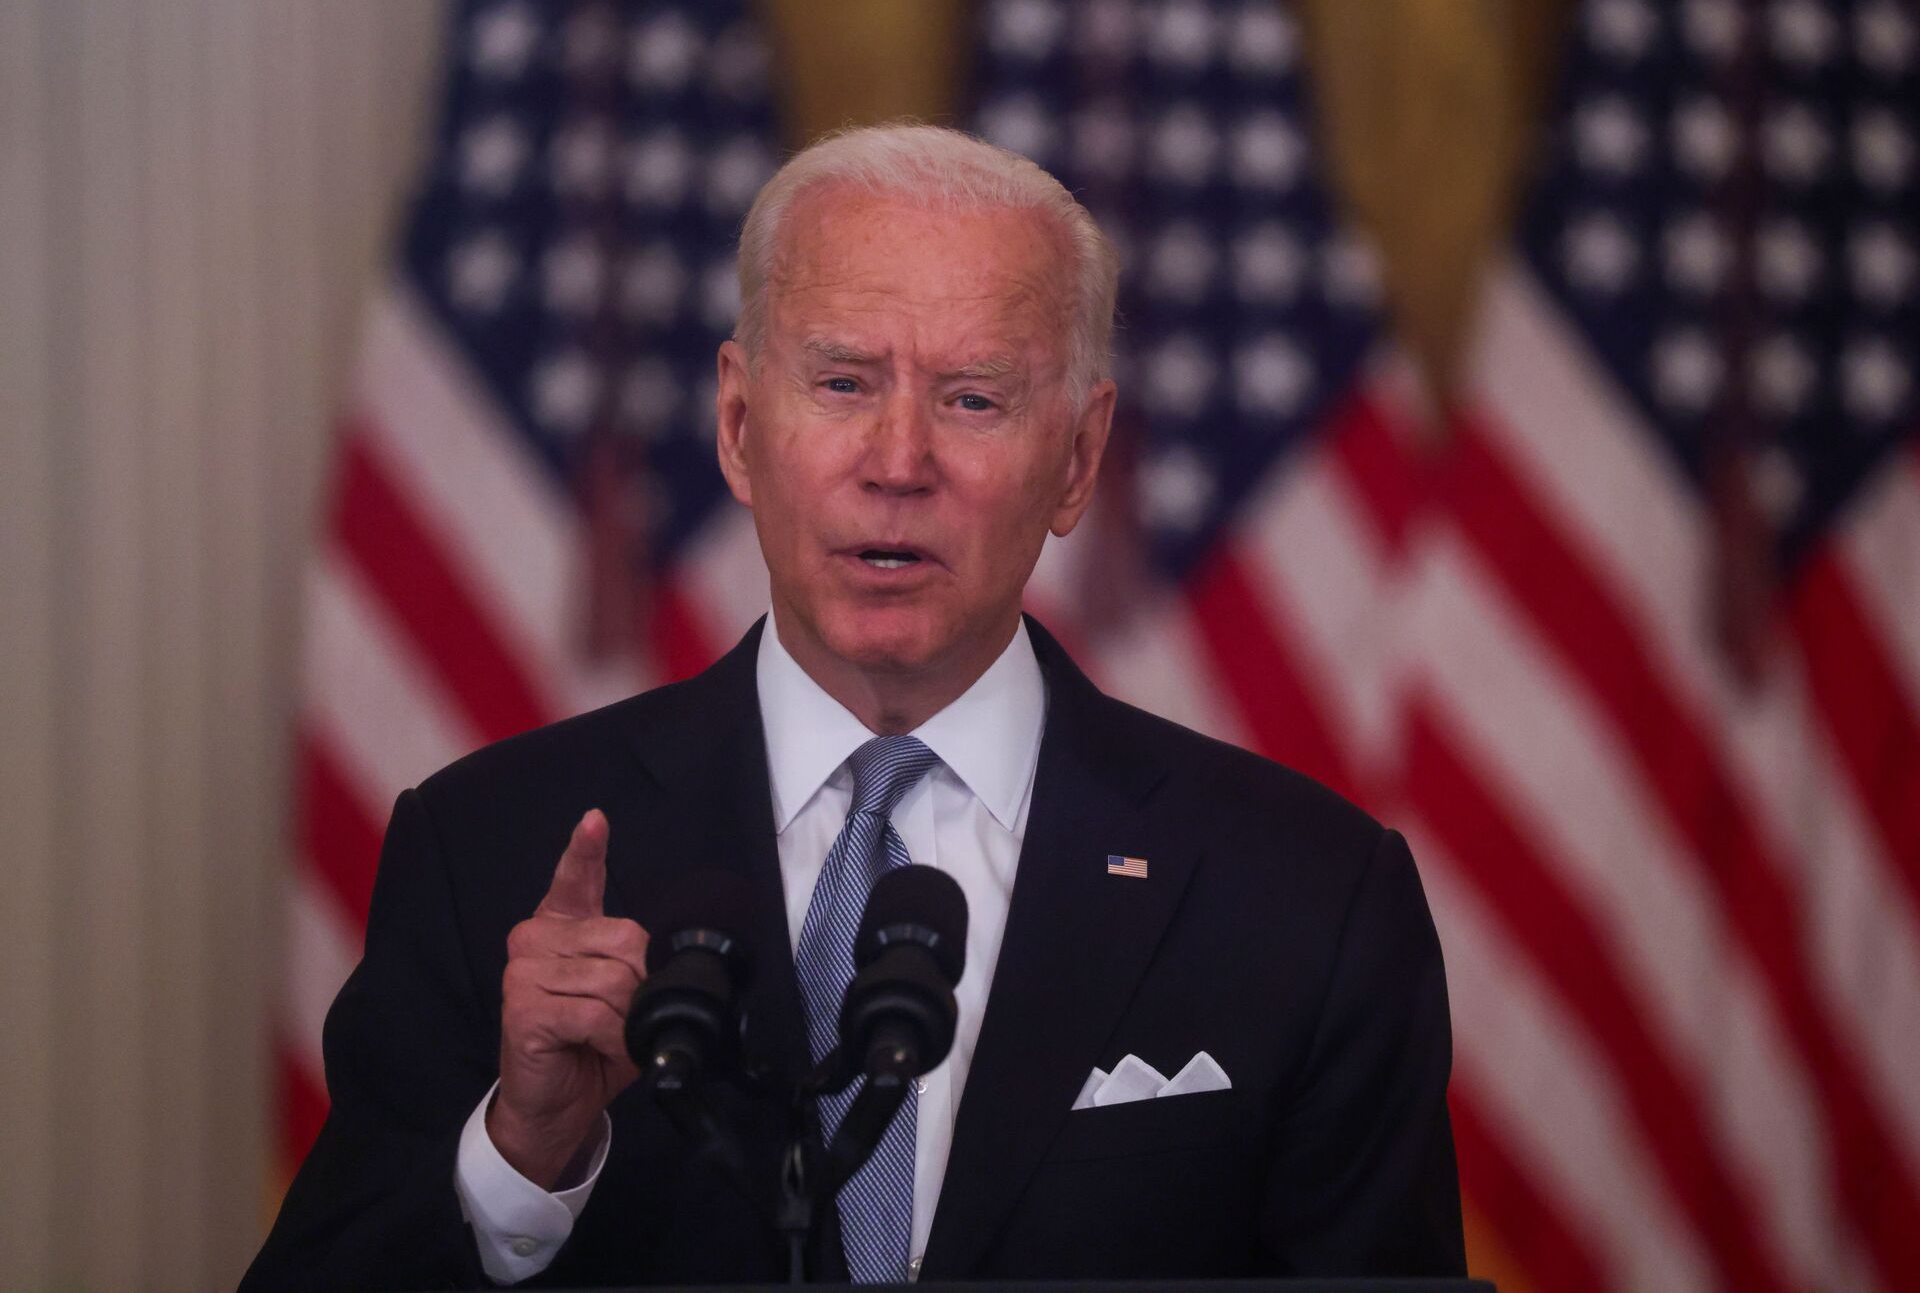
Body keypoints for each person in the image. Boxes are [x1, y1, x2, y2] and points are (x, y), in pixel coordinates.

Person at [242, 123, 1464, 1290]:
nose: (897, 460)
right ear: (737, 426)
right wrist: (520, 1156)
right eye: (841, 382)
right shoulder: (489, 853)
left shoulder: (1307, 896)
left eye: (974, 398)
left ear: (1079, 460)